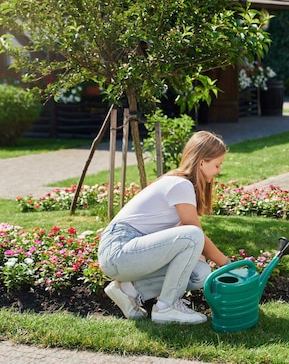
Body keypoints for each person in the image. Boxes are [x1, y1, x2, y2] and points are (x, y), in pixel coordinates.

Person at [97, 130, 230, 324]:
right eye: (217, 165)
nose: (219, 170)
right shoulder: (181, 185)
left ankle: (128, 290)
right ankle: (167, 307)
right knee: (193, 235)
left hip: (129, 254)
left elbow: (183, 241)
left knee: (200, 273)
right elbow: (194, 233)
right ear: (202, 163)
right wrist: (226, 265)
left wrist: (202, 259)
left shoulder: (182, 187)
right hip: (119, 248)